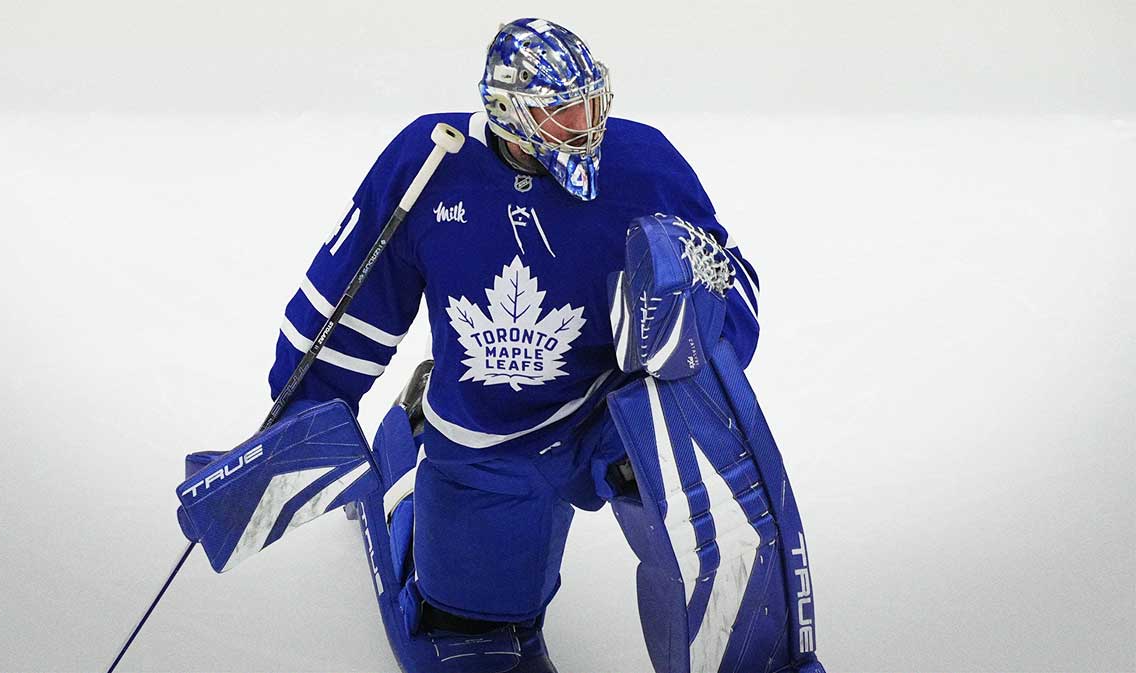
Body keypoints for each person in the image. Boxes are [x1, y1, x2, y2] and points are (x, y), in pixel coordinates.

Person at [268, 18, 825, 673]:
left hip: (616, 423)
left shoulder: (643, 164)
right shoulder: (429, 162)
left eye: (594, 105)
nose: (586, 127)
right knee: (469, 627)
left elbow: (734, 289)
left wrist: (700, 305)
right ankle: (411, 452)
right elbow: (349, 297)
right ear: (508, 111)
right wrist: (307, 408)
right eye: (563, 113)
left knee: (718, 525)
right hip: (487, 436)